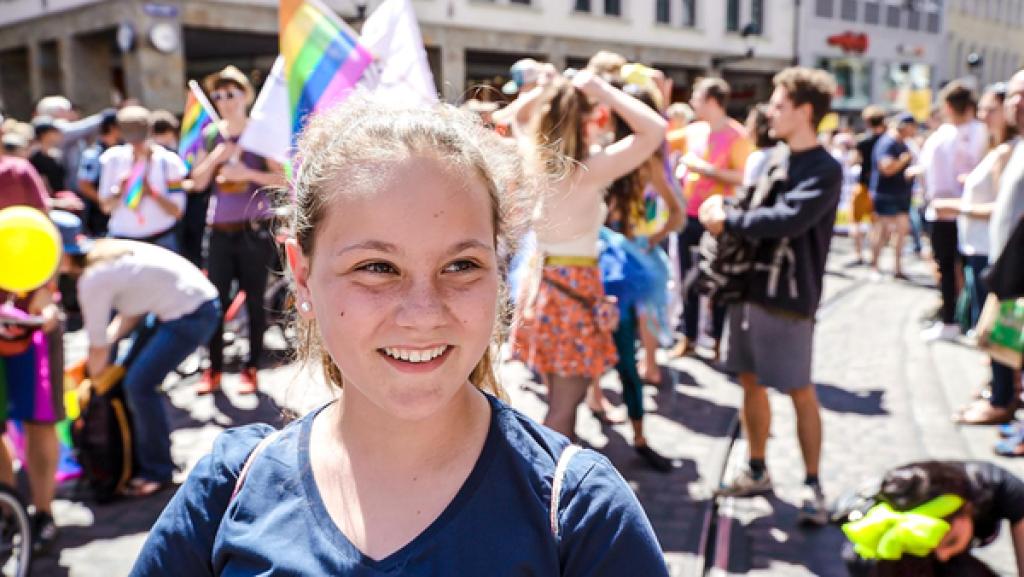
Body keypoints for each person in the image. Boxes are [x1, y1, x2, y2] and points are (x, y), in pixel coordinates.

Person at [129, 97, 669, 576]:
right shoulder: (230, 489)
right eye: (377, 267)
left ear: (500, 271)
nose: (422, 313)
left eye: (461, 265)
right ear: (301, 274)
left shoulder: (579, 515)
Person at [699, 67, 842, 525]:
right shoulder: (776, 157)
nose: (770, 112)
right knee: (748, 380)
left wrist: (730, 221)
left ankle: (814, 486)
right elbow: (755, 205)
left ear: (804, 111)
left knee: (800, 389)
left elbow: (789, 218)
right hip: (749, 288)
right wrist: (726, 207)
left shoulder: (824, 167)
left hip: (790, 296)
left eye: (779, 105)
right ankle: (758, 468)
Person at [510, 69, 667, 441]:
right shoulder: (589, 170)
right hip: (574, 289)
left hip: (544, 285)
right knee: (564, 406)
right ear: (583, 122)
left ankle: (552, 476)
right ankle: (551, 485)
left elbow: (517, 117)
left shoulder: (536, 159)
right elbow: (654, 129)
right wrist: (603, 90)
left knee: (558, 400)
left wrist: (547, 89)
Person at [59, 214, 220, 497]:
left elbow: (98, 347)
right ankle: (141, 456)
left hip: (192, 313)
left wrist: (90, 384)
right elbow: (129, 314)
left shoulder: (92, 279)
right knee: (127, 377)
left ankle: (158, 470)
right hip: (181, 308)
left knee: (138, 385)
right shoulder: (104, 255)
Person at [189, 65, 286, 395]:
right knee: (214, 302)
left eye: (230, 93)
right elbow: (197, 182)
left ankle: (251, 368)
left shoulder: (260, 133)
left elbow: (284, 179)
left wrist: (248, 171)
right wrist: (217, 156)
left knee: (255, 302)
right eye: (218, 95)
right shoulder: (211, 135)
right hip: (218, 230)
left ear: (245, 95)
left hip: (252, 230)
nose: (224, 100)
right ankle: (213, 370)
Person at [0, 156, 68, 555]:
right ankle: (10, 511)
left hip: (30, 318)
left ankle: (42, 514)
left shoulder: (17, 173)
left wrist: (45, 297)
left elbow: (46, 237)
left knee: (39, 418)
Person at [669, 77, 752, 359]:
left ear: (713, 101)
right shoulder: (693, 131)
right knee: (688, 279)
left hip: (718, 220)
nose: (692, 102)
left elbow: (744, 177)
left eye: (697, 97)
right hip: (688, 215)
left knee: (718, 281)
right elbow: (660, 139)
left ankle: (717, 340)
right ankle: (688, 336)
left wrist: (706, 170)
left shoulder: (737, 136)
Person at [930, 84, 1016, 334]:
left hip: (989, 248)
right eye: (982, 109)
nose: (982, 115)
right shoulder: (996, 148)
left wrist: (955, 207)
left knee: (991, 329)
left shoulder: (1005, 151)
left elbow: (1002, 208)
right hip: (979, 246)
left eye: (990, 109)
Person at [842, 460, 1024, 577]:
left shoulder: (1001, 486)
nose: (942, 555)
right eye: (928, 546)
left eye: (951, 541)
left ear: (967, 508)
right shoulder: (869, 552)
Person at [920, 81, 989, 342]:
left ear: (947, 107)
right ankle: (972, 319)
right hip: (975, 214)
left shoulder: (940, 138)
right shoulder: (985, 134)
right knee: (974, 269)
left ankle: (953, 319)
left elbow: (931, 181)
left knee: (948, 269)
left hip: (946, 213)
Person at [97, 105, 187, 251]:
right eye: (131, 138)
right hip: (123, 241)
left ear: (150, 131)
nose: (136, 144)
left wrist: (152, 192)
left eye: (140, 137)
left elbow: (177, 212)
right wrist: (120, 190)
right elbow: (105, 207)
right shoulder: (112, 160)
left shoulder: (169, 162)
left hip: (161, 241)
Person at [869, 113, 918, 279]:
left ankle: (897, 268)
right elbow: (886, 168)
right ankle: (875, 266)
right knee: (882, 231)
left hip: (901, 193)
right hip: (886, 193)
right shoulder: (887, 143)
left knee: (902, 231)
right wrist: (903, 162)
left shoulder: (901, 143)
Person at [850, 106, 887, 266]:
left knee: (855, 222)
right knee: (876, 225)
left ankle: (859, 254)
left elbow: (854, 160)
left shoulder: (862, 141)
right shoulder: (886, 141)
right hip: (878, 188)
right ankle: (874, 259)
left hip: (862, 186)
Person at [76, 110, 120, 237]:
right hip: (99, 218)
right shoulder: (94, 154)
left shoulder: (123, 150)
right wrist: (105, 201)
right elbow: (84, 184)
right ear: (112, 127)